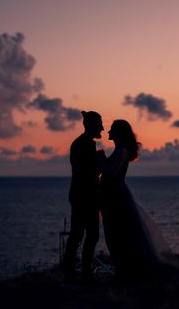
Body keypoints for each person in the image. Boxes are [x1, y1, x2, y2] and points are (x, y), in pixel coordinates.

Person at [97, 120, 179, 280]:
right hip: (111, 197)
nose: (108, 132)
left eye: (112, 129)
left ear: (118, 133)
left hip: (117, 198)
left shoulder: (121, 151)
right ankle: (123, 270)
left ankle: (128, 272)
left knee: (121, 235)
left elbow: (111, 174)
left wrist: (101, 160)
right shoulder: (117, 151)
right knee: (113, 235)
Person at [63, 111, 104, 282]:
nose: (102, 128)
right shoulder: (84, 145)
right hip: (85, 196)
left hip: (82, 195)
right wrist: (101, 163)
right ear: (92, 125)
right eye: (99, 124)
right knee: (86, 235)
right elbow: (88, 173)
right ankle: (81, 272)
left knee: (80, 235)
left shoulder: (82, 143)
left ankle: (75, 271)